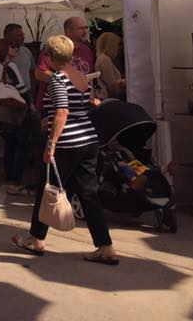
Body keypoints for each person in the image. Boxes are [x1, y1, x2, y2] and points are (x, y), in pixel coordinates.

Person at [13, 35, 118, 265]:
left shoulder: (57, 80)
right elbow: (86, 103)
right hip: (88, 140)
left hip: (67, 143)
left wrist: (51, 143)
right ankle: (105, 246)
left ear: (49, 57)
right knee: (89, 194)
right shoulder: (80, 76)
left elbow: (62, 111)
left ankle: (35, 238)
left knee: (46, 189)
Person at [0, 38, 35, 196]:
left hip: (4, 108)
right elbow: (22, 87)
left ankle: (9, 178)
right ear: (5, 49)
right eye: (12, 46)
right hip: (17, 108)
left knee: (10, 145)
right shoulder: (11, 66)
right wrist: (30, 103)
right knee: (22, 145)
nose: (16, 49)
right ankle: (14, 180)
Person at [36, 17, 94, 112]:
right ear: (68, 31)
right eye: (81, 28)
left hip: (79, 108)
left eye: (86, 28)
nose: (85, 31)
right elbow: (39, 73)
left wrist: (91, 97)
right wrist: (69, 81)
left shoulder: (86, 50)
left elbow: (89, 77)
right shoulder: (55, 48)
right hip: (53, 108)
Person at [95, 32, 125, 100]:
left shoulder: (101, 58)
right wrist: (123, 82)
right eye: (117, 45)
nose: (118, 48)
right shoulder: (105, 59)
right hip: (108, 98)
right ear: (111, 45)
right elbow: (111, 84)